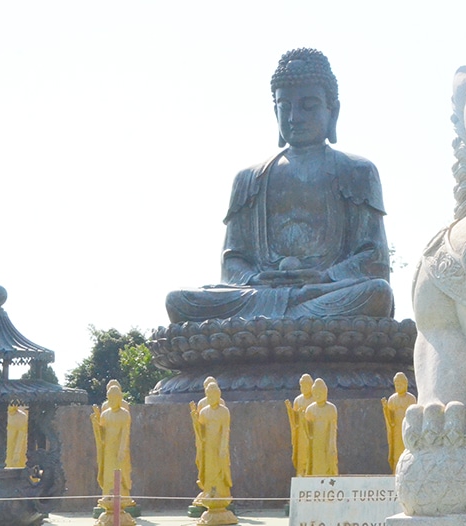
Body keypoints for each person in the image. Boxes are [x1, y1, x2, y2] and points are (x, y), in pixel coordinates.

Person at [166, 48, 394, 323]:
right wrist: (256, 278)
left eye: (308, 106)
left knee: (376, 294)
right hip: (259, 294)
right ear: (275, 109)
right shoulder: (249, 178)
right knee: (180, 300)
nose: (294, 117)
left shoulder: (357, 171)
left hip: (324, 292)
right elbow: (232, 261)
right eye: (285, 106)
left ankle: (277, 321)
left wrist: (324, 276)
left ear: (332, 111)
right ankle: (285, 317)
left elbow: (375, 258)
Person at [190, 380, 237, 524]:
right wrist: (195, 420)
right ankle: (209, 492)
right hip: (208, 447)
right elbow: (201, 433)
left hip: (219, 447)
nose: (211, 398)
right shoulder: (204, 412)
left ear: (219, 394)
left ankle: (221, 494)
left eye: (214, 394)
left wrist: (223, 447)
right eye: (209, 395)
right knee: (209, 471)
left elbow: (225, 431)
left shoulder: (224, 411)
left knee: (220, 470)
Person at [90, 384, 133, 504]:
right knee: (108, 472)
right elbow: (102, 433)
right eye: (110, 398)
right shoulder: (105, 414)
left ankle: (122, 496)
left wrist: (122, 450)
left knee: (120, 472)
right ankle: (107, 495)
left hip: (119, 448)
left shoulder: (124, 414)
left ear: (119, 398)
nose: (112, 401)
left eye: (115, 398)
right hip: (108, 448)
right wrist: (95, 424)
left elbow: (125, 433)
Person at [381, 372, 417, 473]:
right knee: (397, 452)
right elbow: (390, 420)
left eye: (400, 384)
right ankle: (396, 471)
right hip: (396, 429)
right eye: (396, 385)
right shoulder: (392, 399)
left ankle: (409, 471)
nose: (398, 387)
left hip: (408, 428)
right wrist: (385, 408)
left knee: (408, 450)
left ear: (406, 384)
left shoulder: (411, 399)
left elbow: (414, 415)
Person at [304, 378, 338, 476]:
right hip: (314, 442)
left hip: (327, 441)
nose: (318, 395)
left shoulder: (331, 409)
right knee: (315, 463)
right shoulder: (310, 410)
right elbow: (306, 429)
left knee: (328, 462)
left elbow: (332, 429)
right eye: (315, 393)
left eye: (320, 392)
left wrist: (331, 446)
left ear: (325, 393)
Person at [284, 373, 315, 476]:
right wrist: (290, 411)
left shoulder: (315, 400)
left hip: (311, 434)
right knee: (301, 456)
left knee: (311, 455)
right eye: (302, 385)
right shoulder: (298, 400)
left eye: (306, 385)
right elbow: (295, 420)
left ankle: (310, 472)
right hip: (301, 434)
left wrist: (306, 417)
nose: (304, 388)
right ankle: (301, 473)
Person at [5, 404, 28, 468]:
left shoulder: (21, 416)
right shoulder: (2, 414)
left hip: (16, 447)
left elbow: (21, 436)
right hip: (3, 446)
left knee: (15, 464)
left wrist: (17, 452)